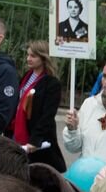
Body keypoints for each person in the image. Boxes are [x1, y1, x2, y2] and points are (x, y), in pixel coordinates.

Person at [10, 40, 65, 171]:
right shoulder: (26, 76)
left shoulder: (52, 83)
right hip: (18, 131)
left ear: (44, 57)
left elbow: (48, 115)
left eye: (33, 56)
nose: (28, 59)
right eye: (28, 55)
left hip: (36, 138)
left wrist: (35, 140)